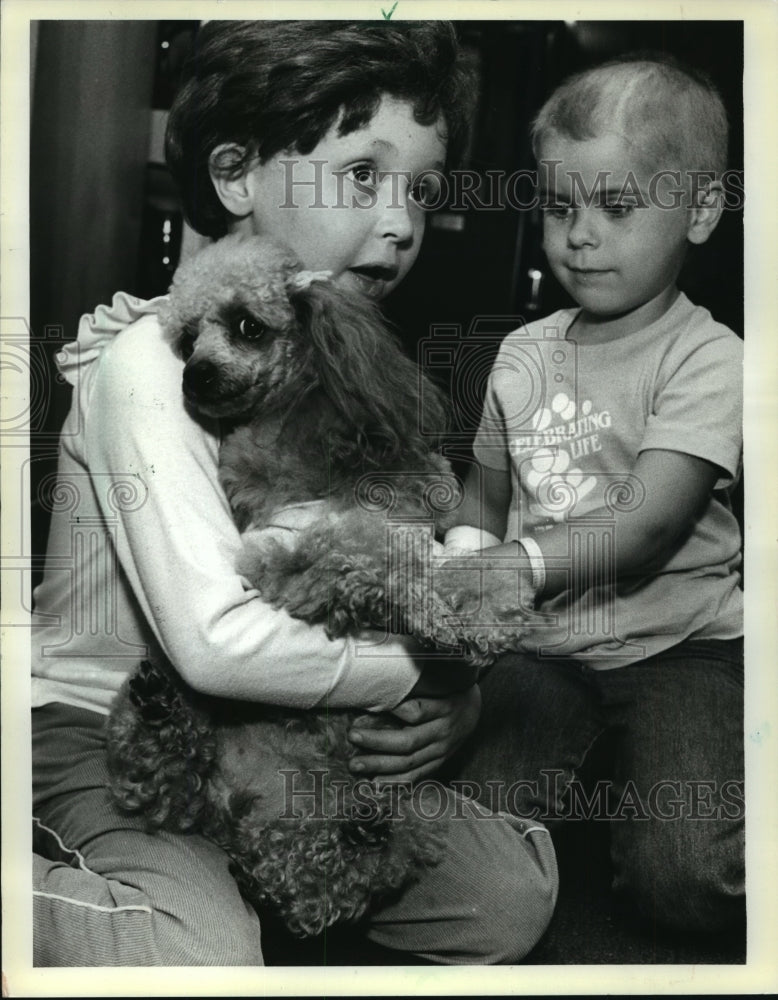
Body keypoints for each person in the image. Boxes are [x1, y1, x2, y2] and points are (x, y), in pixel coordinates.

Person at [30, 20, 557, 967]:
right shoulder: (152, 366)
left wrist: (461, 691)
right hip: (99, 726)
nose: (400, 223)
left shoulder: (344, 372)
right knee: (197, 954)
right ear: (236, 174)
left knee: (506, 900)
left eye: (421, 192)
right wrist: (419, 670)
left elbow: (403, 555)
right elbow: (215, 643)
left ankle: (247, 884)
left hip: (283, 733)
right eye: (363, 175)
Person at [443, 54, 744, 934]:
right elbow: (483, 501)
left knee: (688, 881)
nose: (579, 235)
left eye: (616, 208)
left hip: (682, 644)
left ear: (701, 210)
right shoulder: (522, 353)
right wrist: (462, 569)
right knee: (464, 845)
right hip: (541, 646)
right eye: (559, 207)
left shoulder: (710, 358)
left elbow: (646, 524)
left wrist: (511, 565)